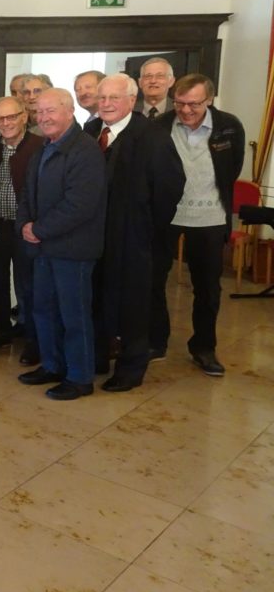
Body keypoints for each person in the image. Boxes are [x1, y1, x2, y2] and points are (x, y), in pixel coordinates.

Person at [84, 74, 185, 391]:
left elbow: (170, 189)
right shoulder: (90, 132)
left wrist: (144, 229)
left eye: (115, 98)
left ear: (132, 100)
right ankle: (98, 357)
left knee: (132, 306)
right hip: (94, 238)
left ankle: (130, 368)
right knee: (95, 298)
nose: (107, 104)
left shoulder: (151, 137)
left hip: (135, 239)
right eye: (102, 98)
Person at [151, 74, 245, 377]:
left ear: (210, 100)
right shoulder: (161, 126)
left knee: (207, 287)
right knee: (154, 279)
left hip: (210, 218)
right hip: (167, 215)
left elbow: (232, 168)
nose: (186, 110)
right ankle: (156, 340)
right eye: (180, 103)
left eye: (194, 104)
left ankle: (204, 347)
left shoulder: (229, 126)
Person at [16, 88, 105, 400]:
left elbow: (80, 204)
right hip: (43, 248)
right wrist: (25, 225)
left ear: (70, 112)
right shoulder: (44, 147)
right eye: (39, 112)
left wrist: (38, 229)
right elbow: (28, 192)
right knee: (44, 310)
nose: (44, 118)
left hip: (73, 251)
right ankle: (52, 365)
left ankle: (79, 377)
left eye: (50, 111)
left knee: (74, 316)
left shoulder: (85, 150)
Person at [0, 96, 43, 360]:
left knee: (28, 282)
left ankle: (33, 336)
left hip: (26, 227)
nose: (5, 123)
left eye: (11, 117)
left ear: (24, 117)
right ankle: (1, 329)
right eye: (0, 118)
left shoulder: (40, 146)